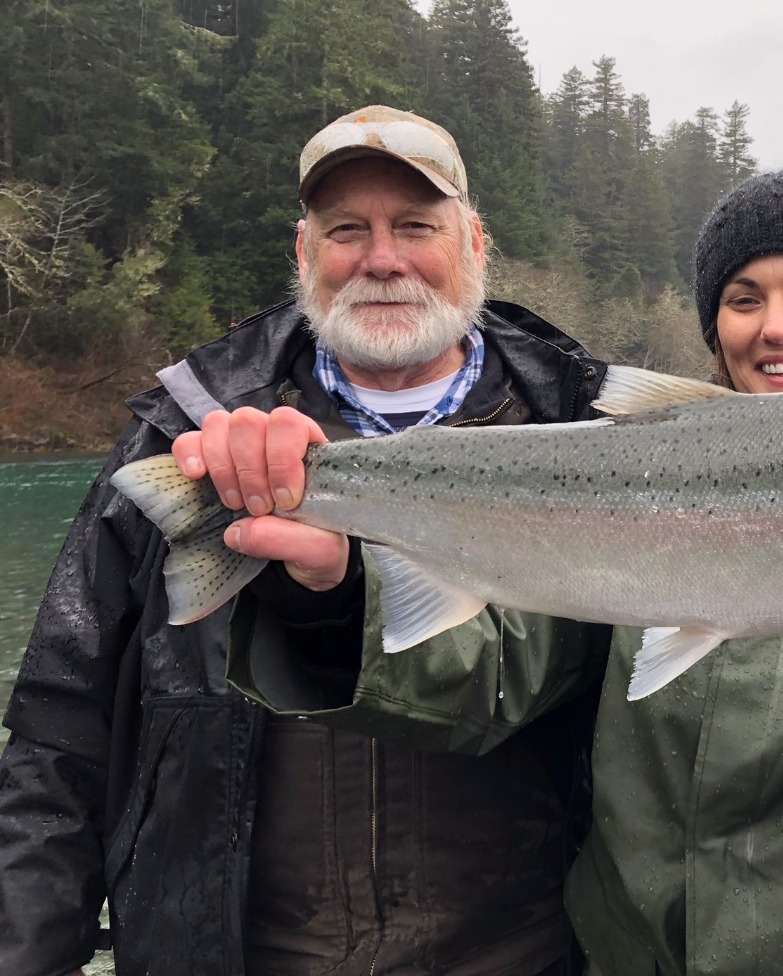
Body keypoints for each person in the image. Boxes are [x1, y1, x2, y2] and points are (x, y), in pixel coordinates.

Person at [214, 169, 783, 975]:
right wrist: (334, 596)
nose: (776, 326)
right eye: (743, 299)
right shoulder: (648, 473)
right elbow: (488, 674)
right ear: (714, 328)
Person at [0, 105, 612, 975]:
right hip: (234, 952)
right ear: (303, 252)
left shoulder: (584, 429)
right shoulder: (184, 436)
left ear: (474, 241)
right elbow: (58, 733)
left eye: (415, 226)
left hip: (526, 951)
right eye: (346, 230)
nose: (383, 258)